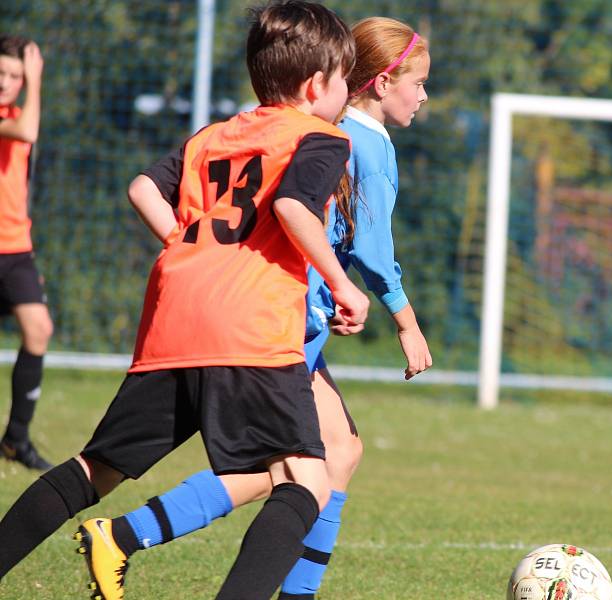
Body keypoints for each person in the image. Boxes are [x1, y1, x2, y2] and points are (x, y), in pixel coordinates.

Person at [0, 3, 371, 599]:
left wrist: (183, 242)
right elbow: (293, 208)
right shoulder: (322, 138)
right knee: (306, 479)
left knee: (95, 470)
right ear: (316, 85)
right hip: (249, 331)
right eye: (343, 80)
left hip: (172, 321)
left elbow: (142, 186)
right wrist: (345, 285)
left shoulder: (216, 135)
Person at [73, 16, 432, 600]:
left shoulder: (325, 126)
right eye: (418, 82)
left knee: (337, 453)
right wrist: (406, 320)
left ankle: (143, 540)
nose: (424, 95)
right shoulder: (365, 144)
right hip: (281, 318)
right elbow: (371, 246)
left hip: (276, 308)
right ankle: (124, 534)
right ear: (382, 83)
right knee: (289, 470)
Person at [0, 35, 54, 472]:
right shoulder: (16, 118)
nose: (5, 82)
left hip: (15, 247)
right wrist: (36, 80)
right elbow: (28, 130)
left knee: (38, 329)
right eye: (0, 72)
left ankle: (16, 439)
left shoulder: (18, 111)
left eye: (14, 75)